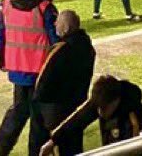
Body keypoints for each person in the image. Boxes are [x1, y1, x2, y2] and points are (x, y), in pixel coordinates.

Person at [0, 0, 59, 156]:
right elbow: (56, 40)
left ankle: (1, 149)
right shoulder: (44, 8)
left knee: (18, 112)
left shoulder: (8, 4)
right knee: (38, 119)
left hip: (17, 69)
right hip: (40, 71)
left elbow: (1, 35)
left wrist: (3, 61)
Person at [31, 10, 96, 156]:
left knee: (58, 147)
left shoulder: (60, 50)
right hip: (77, 106)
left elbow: (42, 83)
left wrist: (38, 102)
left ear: (65, 28)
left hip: (56, 110)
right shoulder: (88, 48)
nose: (55, 24)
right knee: (74, 146)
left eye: (58, 22)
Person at [39, 76, 142, 155]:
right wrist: (53, 141)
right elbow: (77, 120)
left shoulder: (133, 118)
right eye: (97, 107)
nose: (100, 113)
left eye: (103, 108)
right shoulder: (101, 99)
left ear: (116, 101)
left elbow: (134, 150)